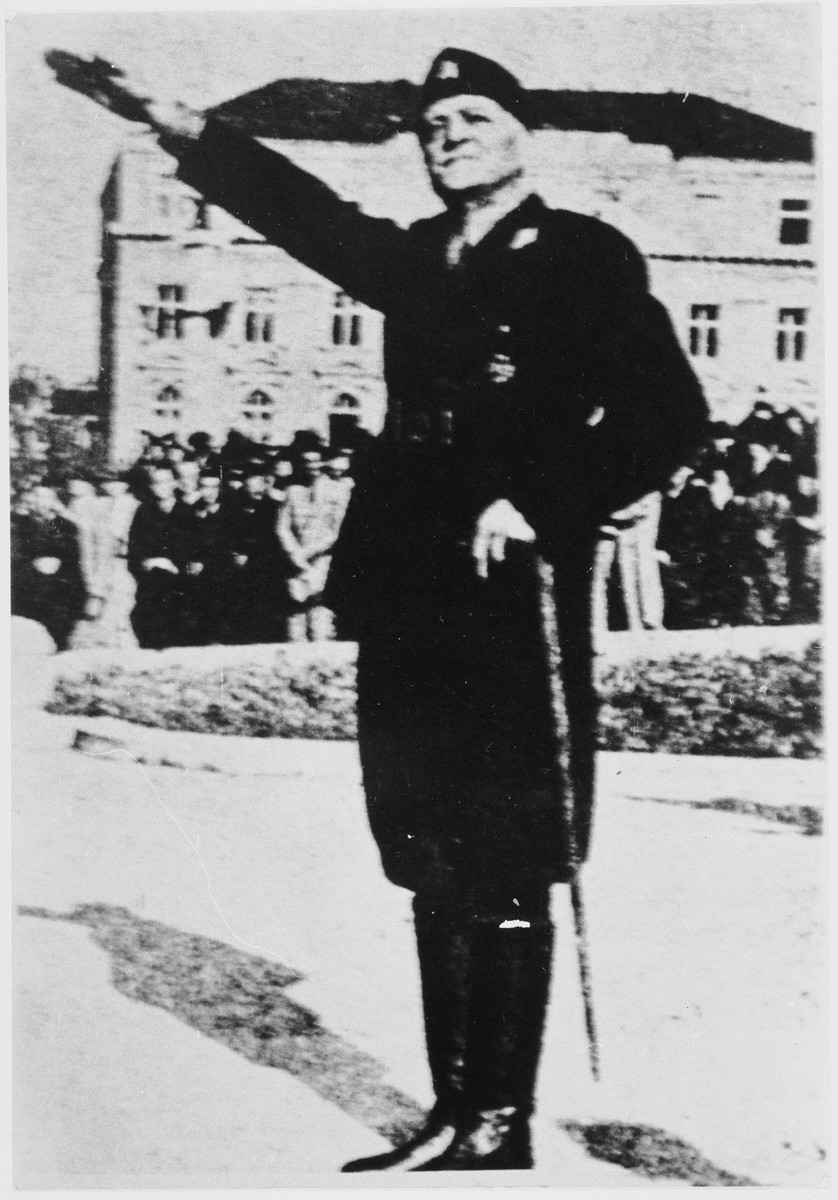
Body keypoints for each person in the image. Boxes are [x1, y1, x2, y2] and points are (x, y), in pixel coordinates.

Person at [56, 47, 708, 1170]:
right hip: (411, 588)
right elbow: (304, 214)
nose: (445, 134)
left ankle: (499, 1122)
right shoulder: (417, 259)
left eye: (469, 116)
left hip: (512, 590)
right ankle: (451, 1113)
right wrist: (179, 122)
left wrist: (542, 502)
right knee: (423, 842)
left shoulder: (583, 256)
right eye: (430, 123)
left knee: (504, 847)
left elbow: (670, 416)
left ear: (518, 133)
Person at [126, 464, 192, 648]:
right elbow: (136, 548)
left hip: (183, 581)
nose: (161, 486)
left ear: (175, 483)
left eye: (166, 481)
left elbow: (195, 548)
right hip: (153, 578)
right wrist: (151, 561)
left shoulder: (187, 512)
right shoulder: (143, 513)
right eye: (156, 482)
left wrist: (175, 565)